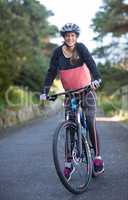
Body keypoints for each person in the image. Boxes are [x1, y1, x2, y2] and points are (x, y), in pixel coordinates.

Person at [40, 23, 104, 179]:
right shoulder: (57, 53)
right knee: (69, 126)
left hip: (86, 92)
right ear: (64, 37)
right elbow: (51, 72)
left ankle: (97, 158)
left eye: (73, 35)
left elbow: (91, 64)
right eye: (67, 35)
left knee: (89, 121)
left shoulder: (81, 48)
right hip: (70, 95)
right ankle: (69, 163)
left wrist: (96, 78)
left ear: (76, 37)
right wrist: (45, 91)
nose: (70, 38)